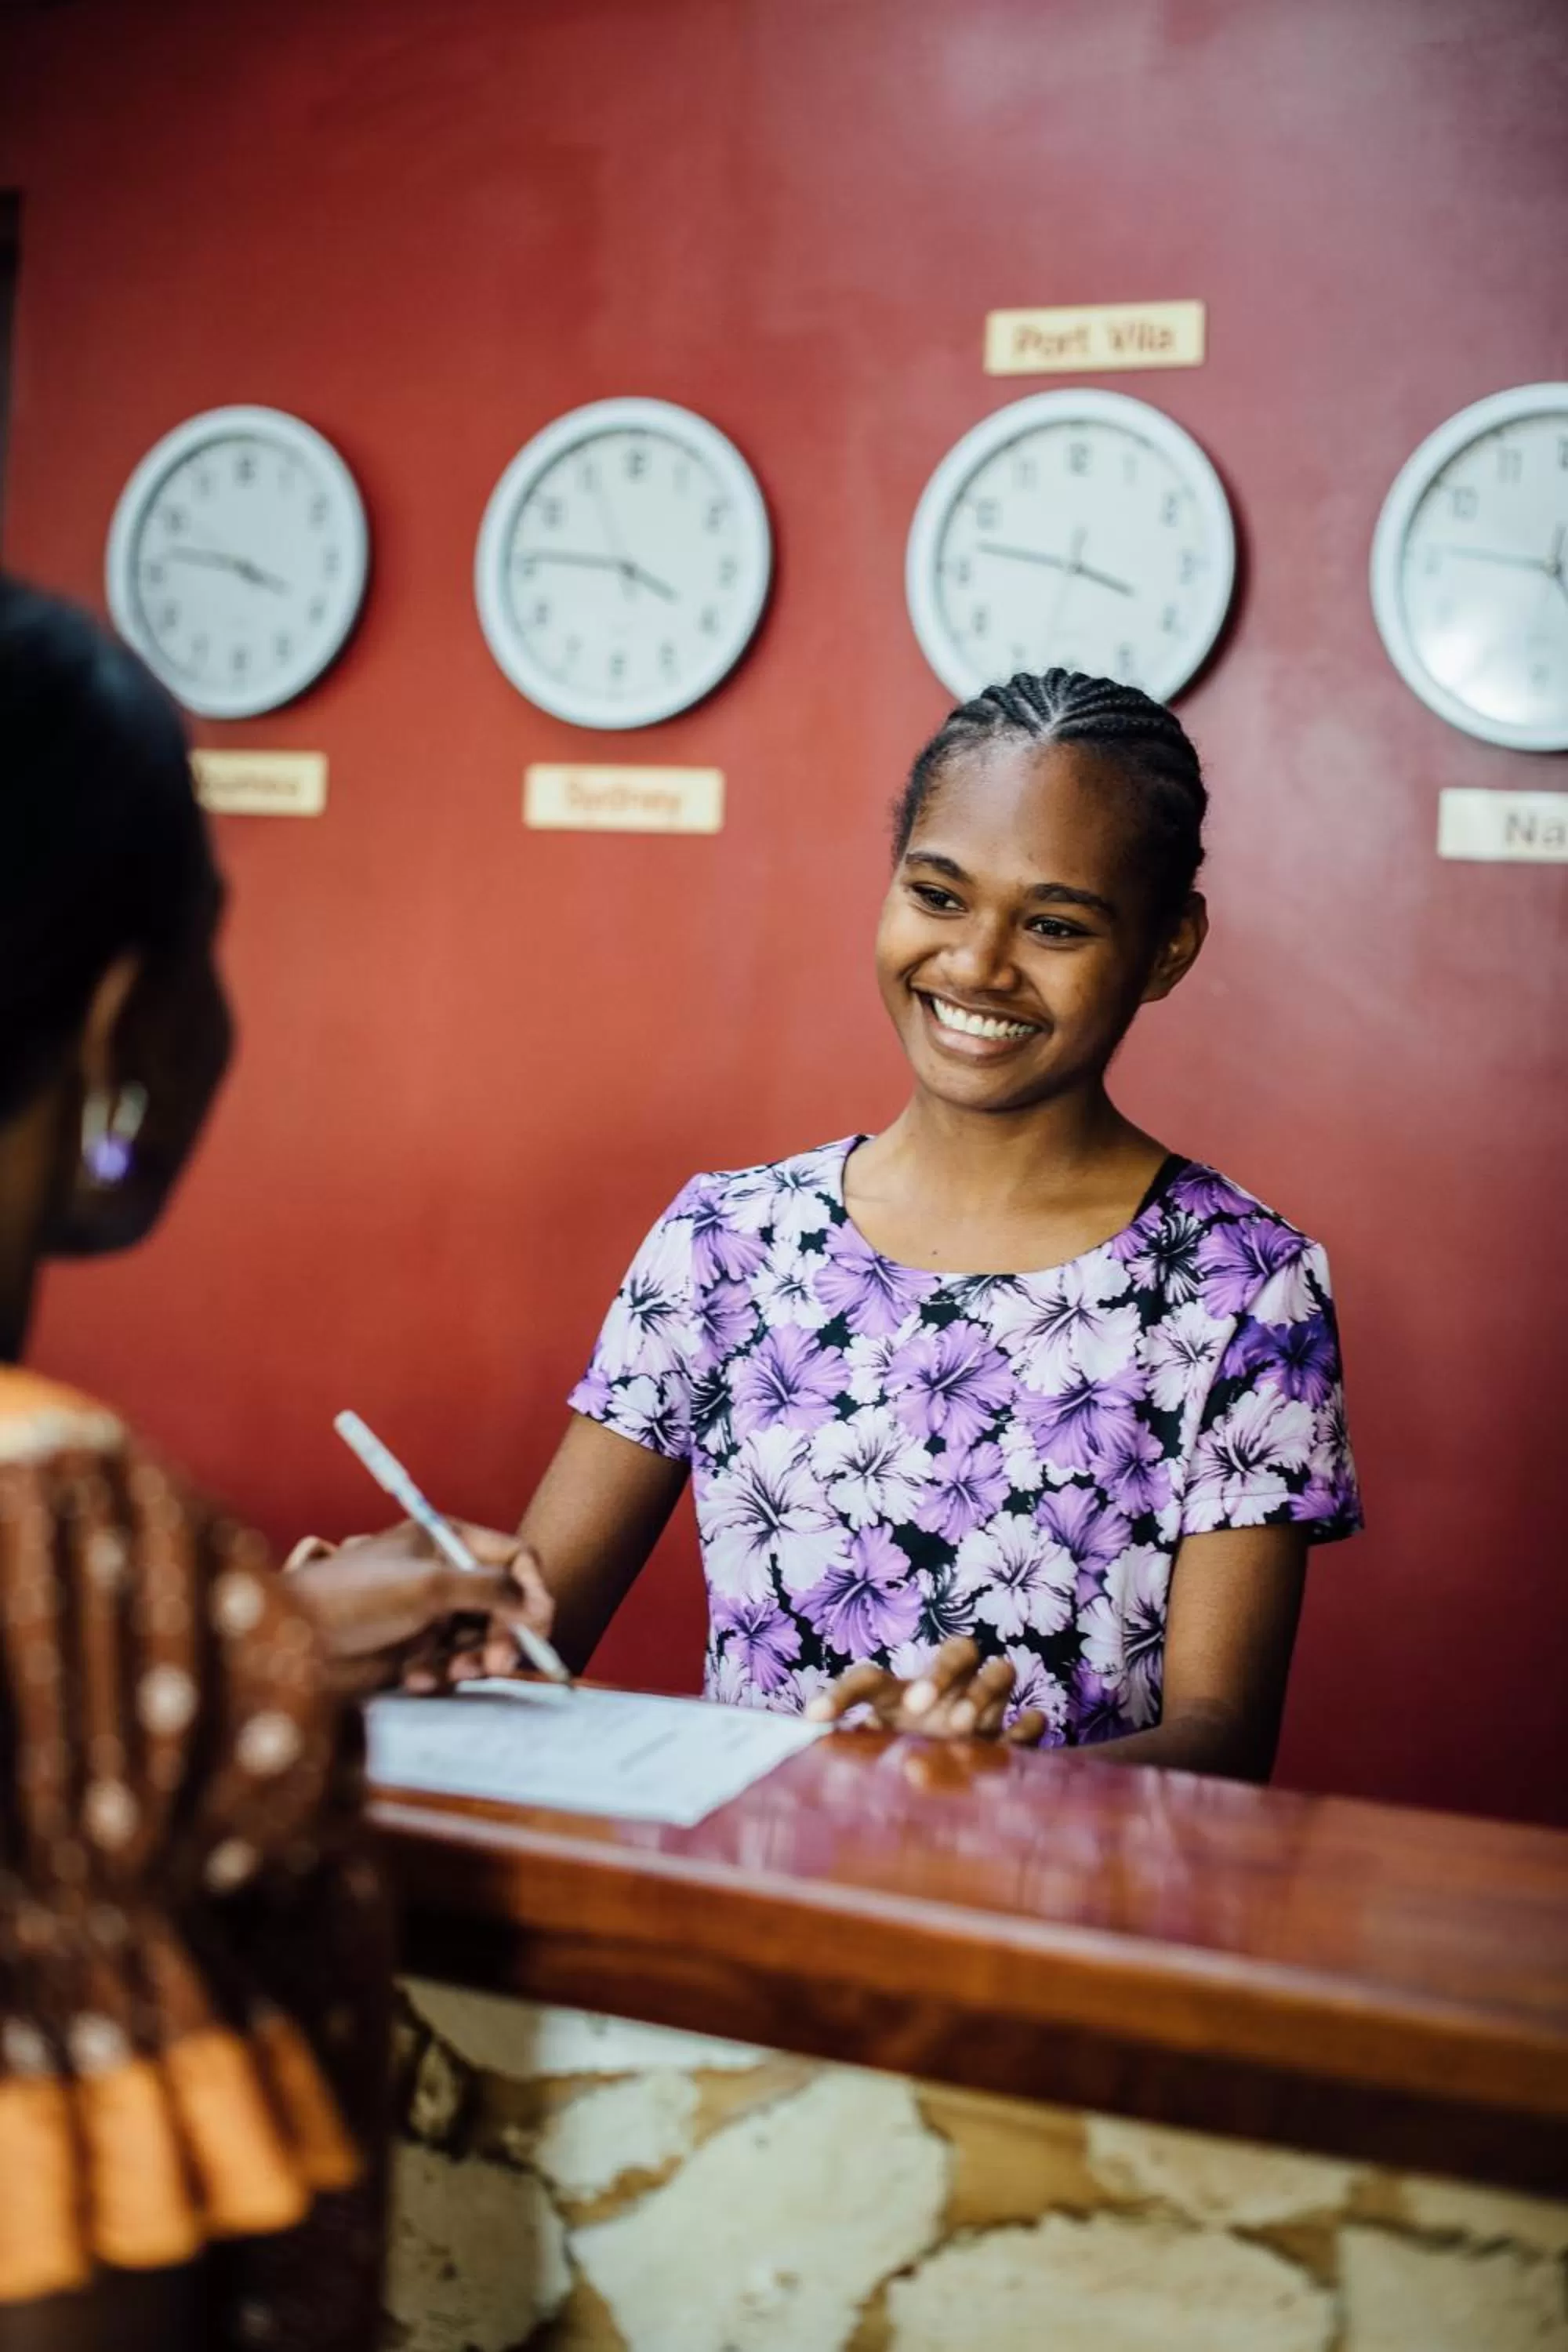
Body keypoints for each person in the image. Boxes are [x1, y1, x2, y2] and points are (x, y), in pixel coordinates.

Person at [0, 576, 554, 2351]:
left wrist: (247, 1649)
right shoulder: (73, 1525)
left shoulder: (111, 1596)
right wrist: (182, 1635)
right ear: (124, 1028)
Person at [516, 670, 1361, 1769]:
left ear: (1167, 948)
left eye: (1054, 925)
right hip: (747, 1867)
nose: (976, 964)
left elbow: (1224, 1742)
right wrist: (399, 1619)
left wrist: (987, 1789)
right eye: (939, 896)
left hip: (1058, 1883)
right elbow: (525, 1647)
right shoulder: (728, 1239)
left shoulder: (1245, 1282)